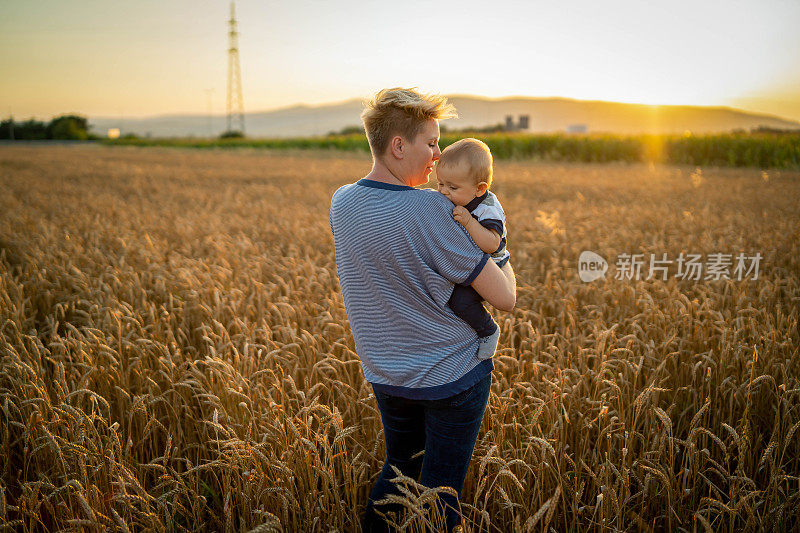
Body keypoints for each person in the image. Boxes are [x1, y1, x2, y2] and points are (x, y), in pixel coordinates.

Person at [329, 88, 516, 532]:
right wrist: (501, 246)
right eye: (431, 143)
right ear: (398, 146)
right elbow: (505, 298)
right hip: (450, 377)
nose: (437, 155)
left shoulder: (342, 202)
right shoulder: (431, 209)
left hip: (386, 376)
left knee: (398, 474)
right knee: (440, 496)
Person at [436, 138, 509, 361]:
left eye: (452, 187)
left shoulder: (487, 209)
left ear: (480, 189)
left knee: (460, 300)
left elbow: (491, 243)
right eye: (440, 184)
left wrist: (468, 222)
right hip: (473, 259)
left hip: (492, 263)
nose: (444, 192)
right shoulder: (462, 197)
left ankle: (488, 330)